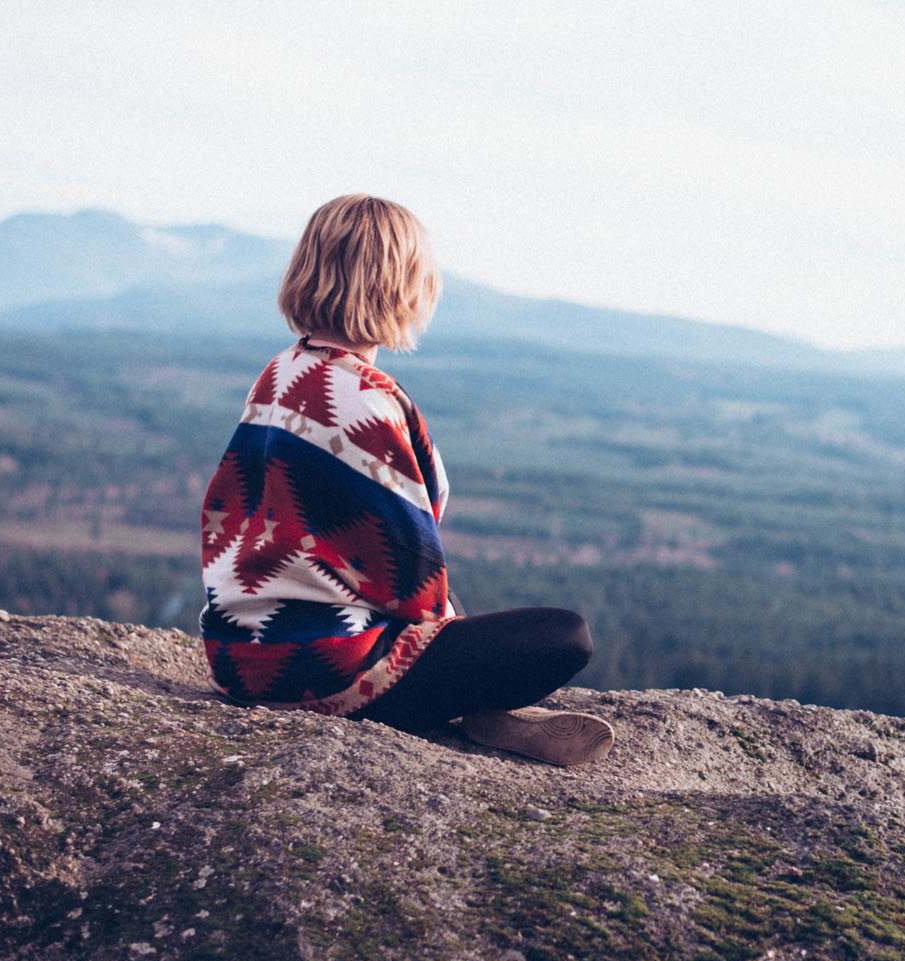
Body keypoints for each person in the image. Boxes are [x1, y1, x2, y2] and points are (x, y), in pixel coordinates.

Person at [197, 194, 612, 765]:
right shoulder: (367, 397)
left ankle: (483, 716)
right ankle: (478, 715)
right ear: (400, 286)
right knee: (563, 637)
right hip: (326, 668)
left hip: (239, 655)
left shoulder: (280, 372)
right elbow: (411, 578)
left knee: (465, 628)